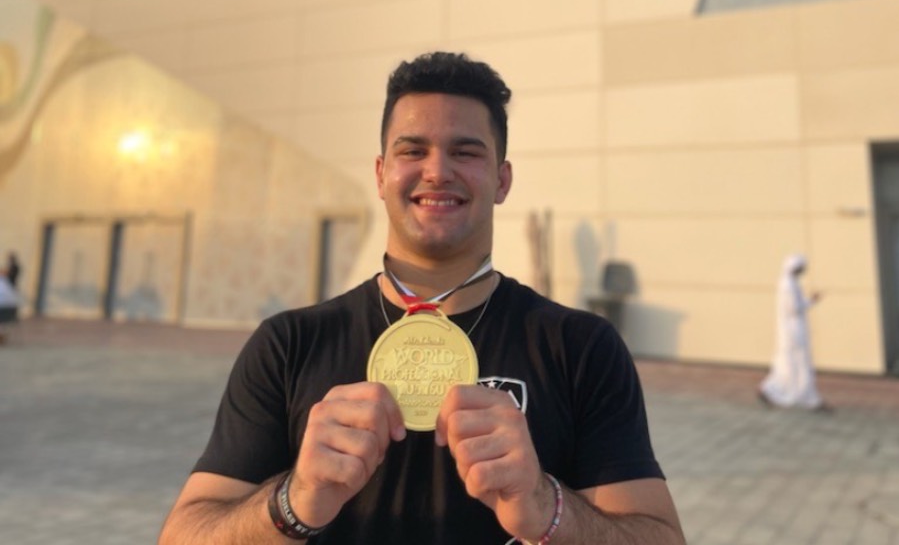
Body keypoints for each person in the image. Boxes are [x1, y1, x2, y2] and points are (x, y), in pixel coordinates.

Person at [159, 52, 684, 545]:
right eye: (413, 150)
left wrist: (546, 507)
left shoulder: (579, 346)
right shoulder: (290, 343)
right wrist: (293, 501)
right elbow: (184, 533)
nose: (437, 171)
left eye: (465, 151)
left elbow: (658, 534)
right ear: (381, 173)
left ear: (501, 180)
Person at [758, 254, 828, 411]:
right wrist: (812, 301)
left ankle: (775, 391)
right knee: (796, 363)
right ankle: (805, 398)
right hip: (793, 332)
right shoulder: (788, 285)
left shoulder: (790, 283)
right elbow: (794, 308)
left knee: (789, 364)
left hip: (792, 330)